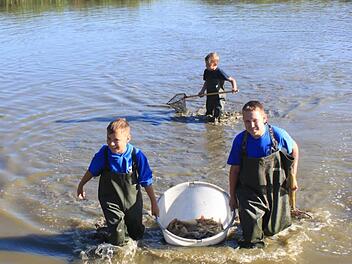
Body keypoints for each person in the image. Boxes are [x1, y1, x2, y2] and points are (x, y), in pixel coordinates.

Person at [227, 101, 299, 249]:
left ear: (265, 118)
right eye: (247, 121)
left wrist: (292, 175)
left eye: (255, 120)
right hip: (249, 190)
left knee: (274, 230)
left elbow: (294, 150)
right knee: (251, 236)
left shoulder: (278, 135)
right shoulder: (240, 140)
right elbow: (234, 170)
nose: (251, 125)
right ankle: (253, 251)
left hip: (274, 187)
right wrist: (233, 197)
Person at [77, 118, 159, 246]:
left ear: (128, 138)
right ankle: (114, 241)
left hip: (132, 201)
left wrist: (154, 203)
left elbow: (146, 181)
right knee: (118, 238)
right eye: (109, 139)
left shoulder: (136, 155)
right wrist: (81, 185)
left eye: (116, 140)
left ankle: (109, 232)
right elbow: (91, 171)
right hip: (110, 199)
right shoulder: (104, 154)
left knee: (136, 233)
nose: (111, 144)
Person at [198, 52, 238, 122]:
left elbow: (232, 80)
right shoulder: (206, 71)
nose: (206, 66)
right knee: (208, 111)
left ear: (215, 64)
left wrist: (234, 88)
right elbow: (206, 82)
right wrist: (202, 91)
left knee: (218, 111)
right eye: (206, 64)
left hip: (219, 95)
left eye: (208, 65)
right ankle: (208, 123)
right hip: (209, 94)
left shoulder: (219, 72)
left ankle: (218, 122)